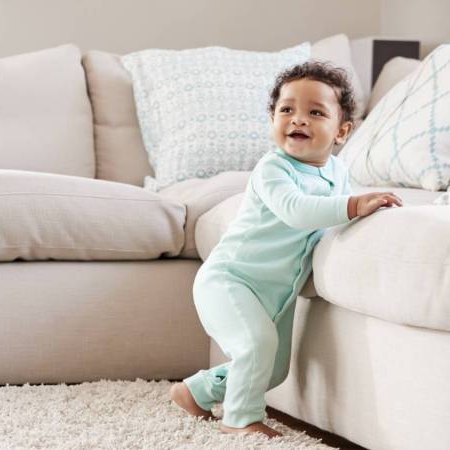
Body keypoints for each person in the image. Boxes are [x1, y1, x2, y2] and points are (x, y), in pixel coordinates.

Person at [170, 61, 403, 438]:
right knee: (256, 346)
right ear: (272, 119)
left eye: (315, 112)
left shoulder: (338, 174)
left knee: (273, 370)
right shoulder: (273, 169)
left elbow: (339, 210)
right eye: (287, 110)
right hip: (230, 280)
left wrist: (370, 204)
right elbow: (297, 211)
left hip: (275, 295)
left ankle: (194, 390)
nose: (298, 119)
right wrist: (354, 205)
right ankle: (240, 419)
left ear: (341, 131)